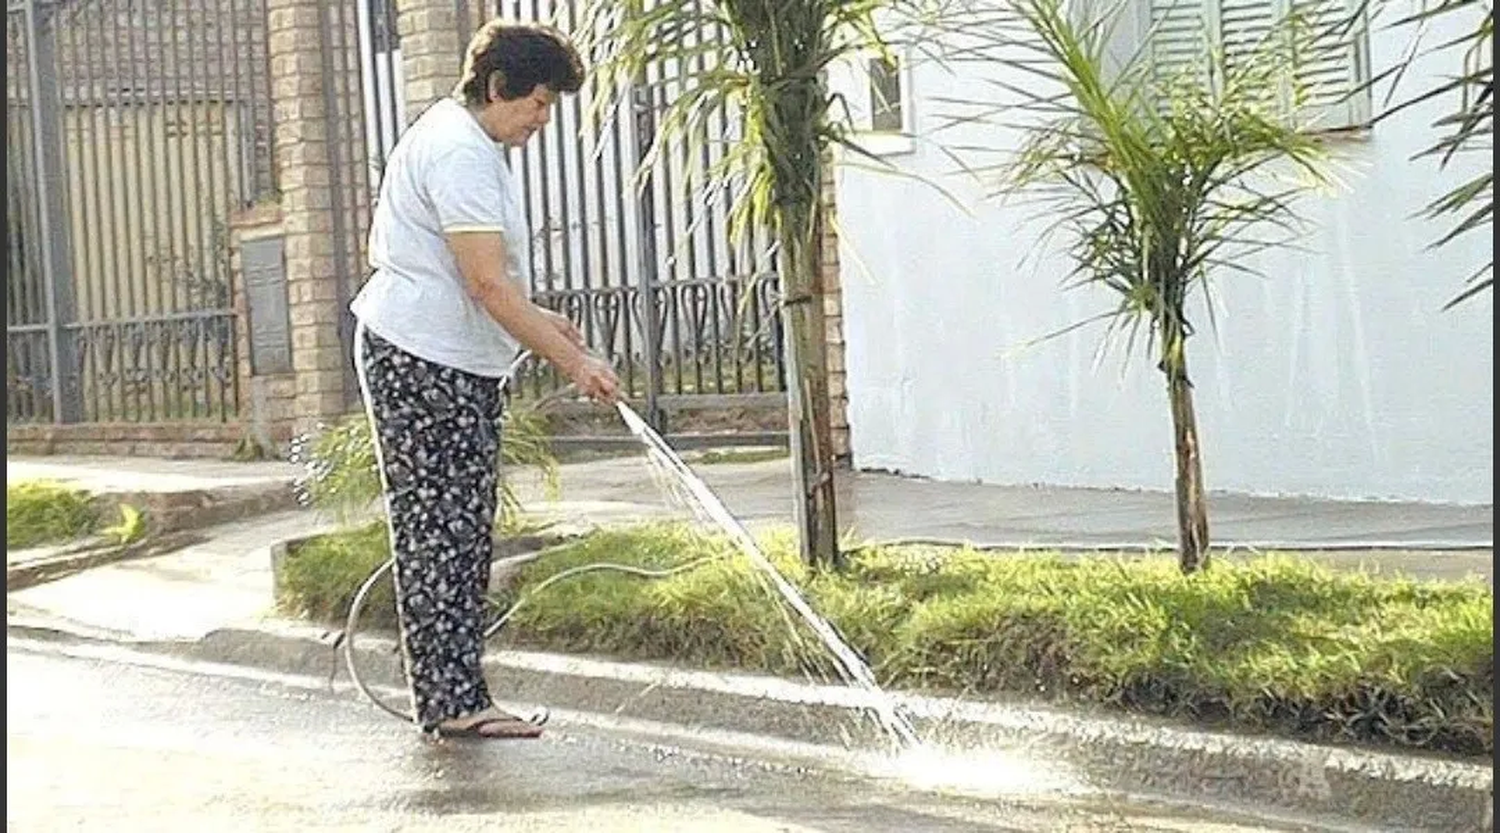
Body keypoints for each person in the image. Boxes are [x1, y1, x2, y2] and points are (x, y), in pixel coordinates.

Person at [349, 20, 620, 740]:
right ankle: (453, 701)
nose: (541, 119)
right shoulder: (460, 153)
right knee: (442, 527)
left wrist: (550, 325)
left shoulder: (469, 142)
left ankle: (454, 695)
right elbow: (485, 286)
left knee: (458, 528)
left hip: (440, 356)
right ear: (497, 87)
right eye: (536, 102)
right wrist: (577, 363)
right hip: (422, 359)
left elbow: (493, 285)